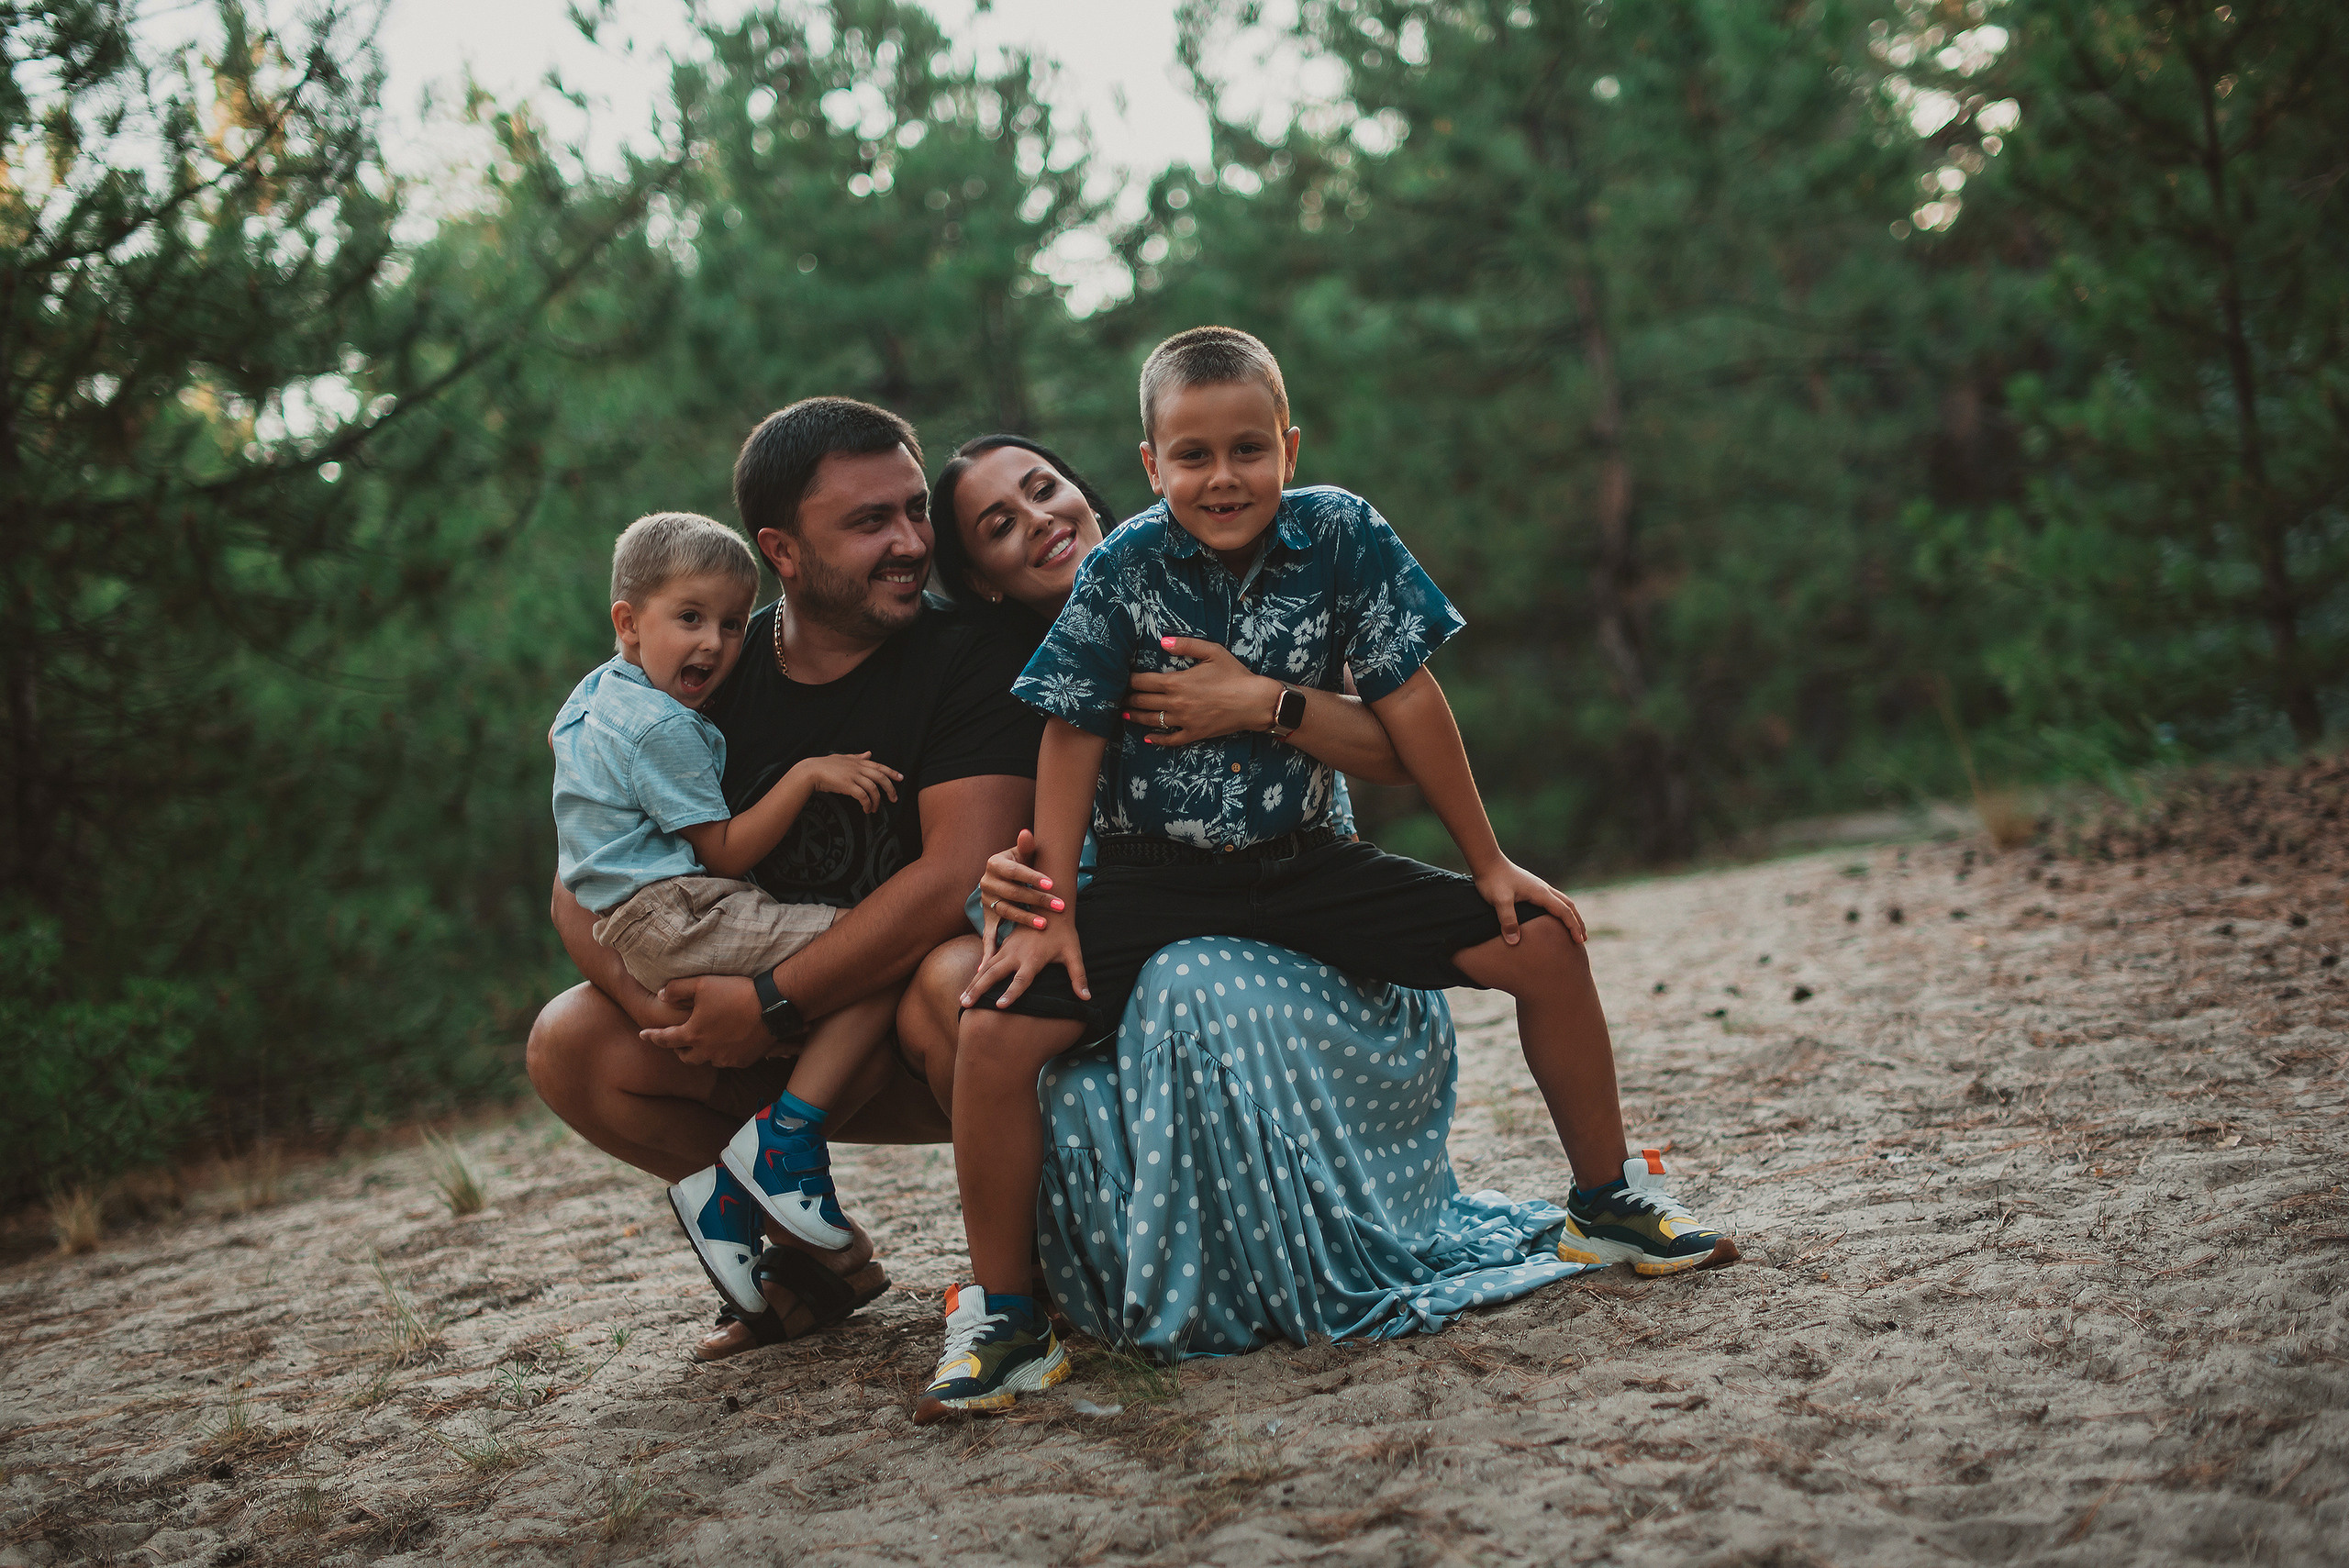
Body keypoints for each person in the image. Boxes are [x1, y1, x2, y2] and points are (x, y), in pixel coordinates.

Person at [914, 328, 1738, 1422]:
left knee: (1543, 942)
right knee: (991, 1027)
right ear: (1152, 464)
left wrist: (1488, 861)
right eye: (1193, 455)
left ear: (1288, 447)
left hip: (1307, 862)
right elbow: (1070, 735)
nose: (1223, 477)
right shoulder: (1122, 571)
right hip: (1156, 879)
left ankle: (1606, 1200)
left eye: (1247, 449)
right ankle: (1012, 1320)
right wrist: (1057, 908)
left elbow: (1409, 696)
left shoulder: (1342, 532)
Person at [527, 398, 1040, 1360]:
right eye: (870, 521)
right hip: (784, 1031)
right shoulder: (704, 673)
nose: (910, 543)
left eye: (914, 510)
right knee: (570, 1041)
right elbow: (582, 880)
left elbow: (953, 878)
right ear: (783, 550)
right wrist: (676, 1011)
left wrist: (764, 1002)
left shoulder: (972, 657)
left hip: (924, 1035)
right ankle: (808, 1266)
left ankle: (1025, 1277)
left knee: (950, 973)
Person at [548, 509, 908, 1320]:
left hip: (637, 923)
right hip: (684, 912)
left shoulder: (594, 697)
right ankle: (784, 1141)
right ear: (628, 622)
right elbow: (723, 851)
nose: (712, 643)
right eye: (689, 618)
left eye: (731, 624)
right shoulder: (662, 727)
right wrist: (807, 774)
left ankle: (734, 1204)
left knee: (858, 961)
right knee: (879, 948)